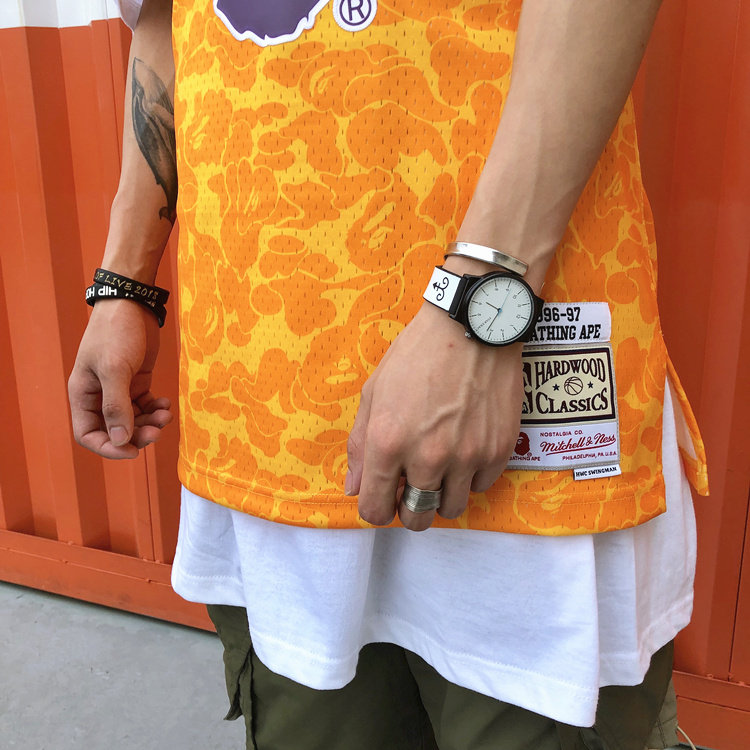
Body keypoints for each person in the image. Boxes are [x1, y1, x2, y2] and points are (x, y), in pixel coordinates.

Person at [68, 0, 708, 748]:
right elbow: (164, 20)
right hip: (268, 416)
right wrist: (125, 283)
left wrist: (480, 306)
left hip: (520, 372)